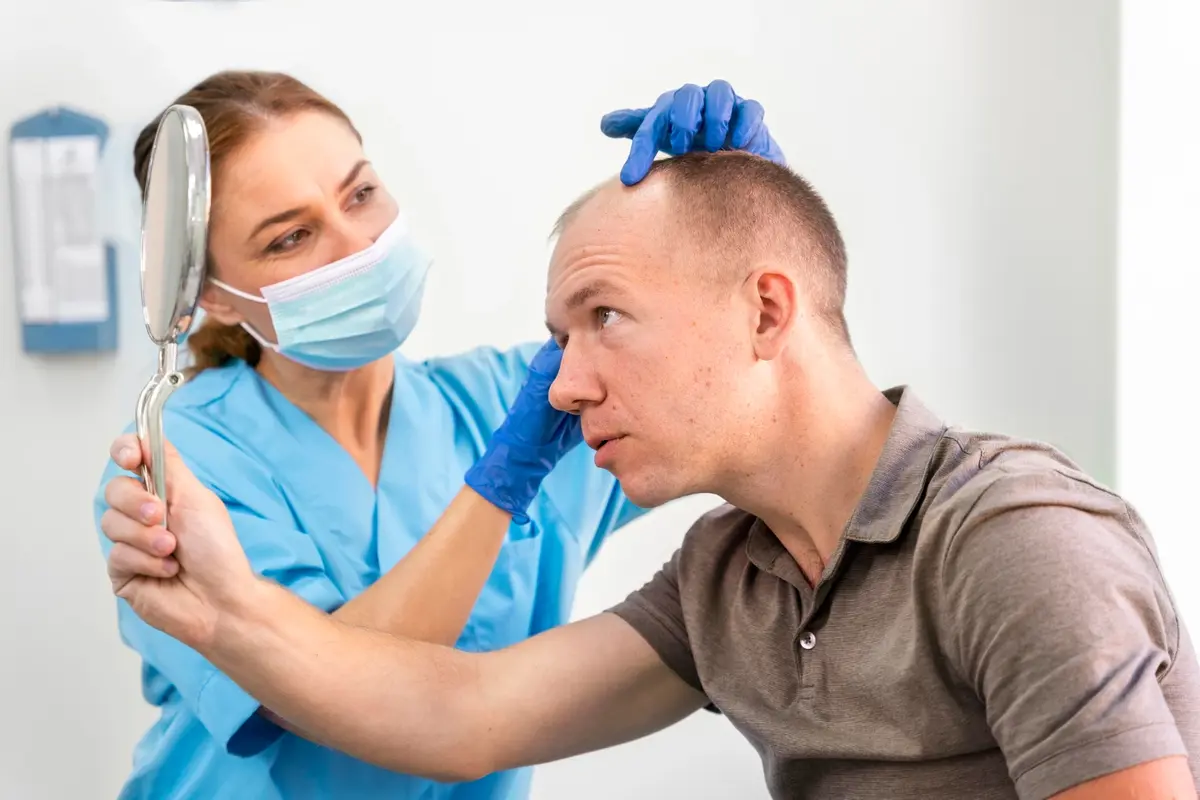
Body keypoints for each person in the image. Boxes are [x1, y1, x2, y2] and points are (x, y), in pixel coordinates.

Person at [100, 151, 1200, 800]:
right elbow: (467, 709)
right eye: (558, 336)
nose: (562, 388)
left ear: (767, 310)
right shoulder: (731, 575)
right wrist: (229, 611)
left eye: (605, 319)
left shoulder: (1009, 540)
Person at [92, 70, 787, 800]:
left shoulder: (512, 399)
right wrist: (499, 486)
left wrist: (751, 216)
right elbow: (312, 686)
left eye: (360, 194)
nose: (356, 244)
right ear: (210, 295)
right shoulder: (174, 469)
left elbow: (754, 398)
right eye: (292, 237)